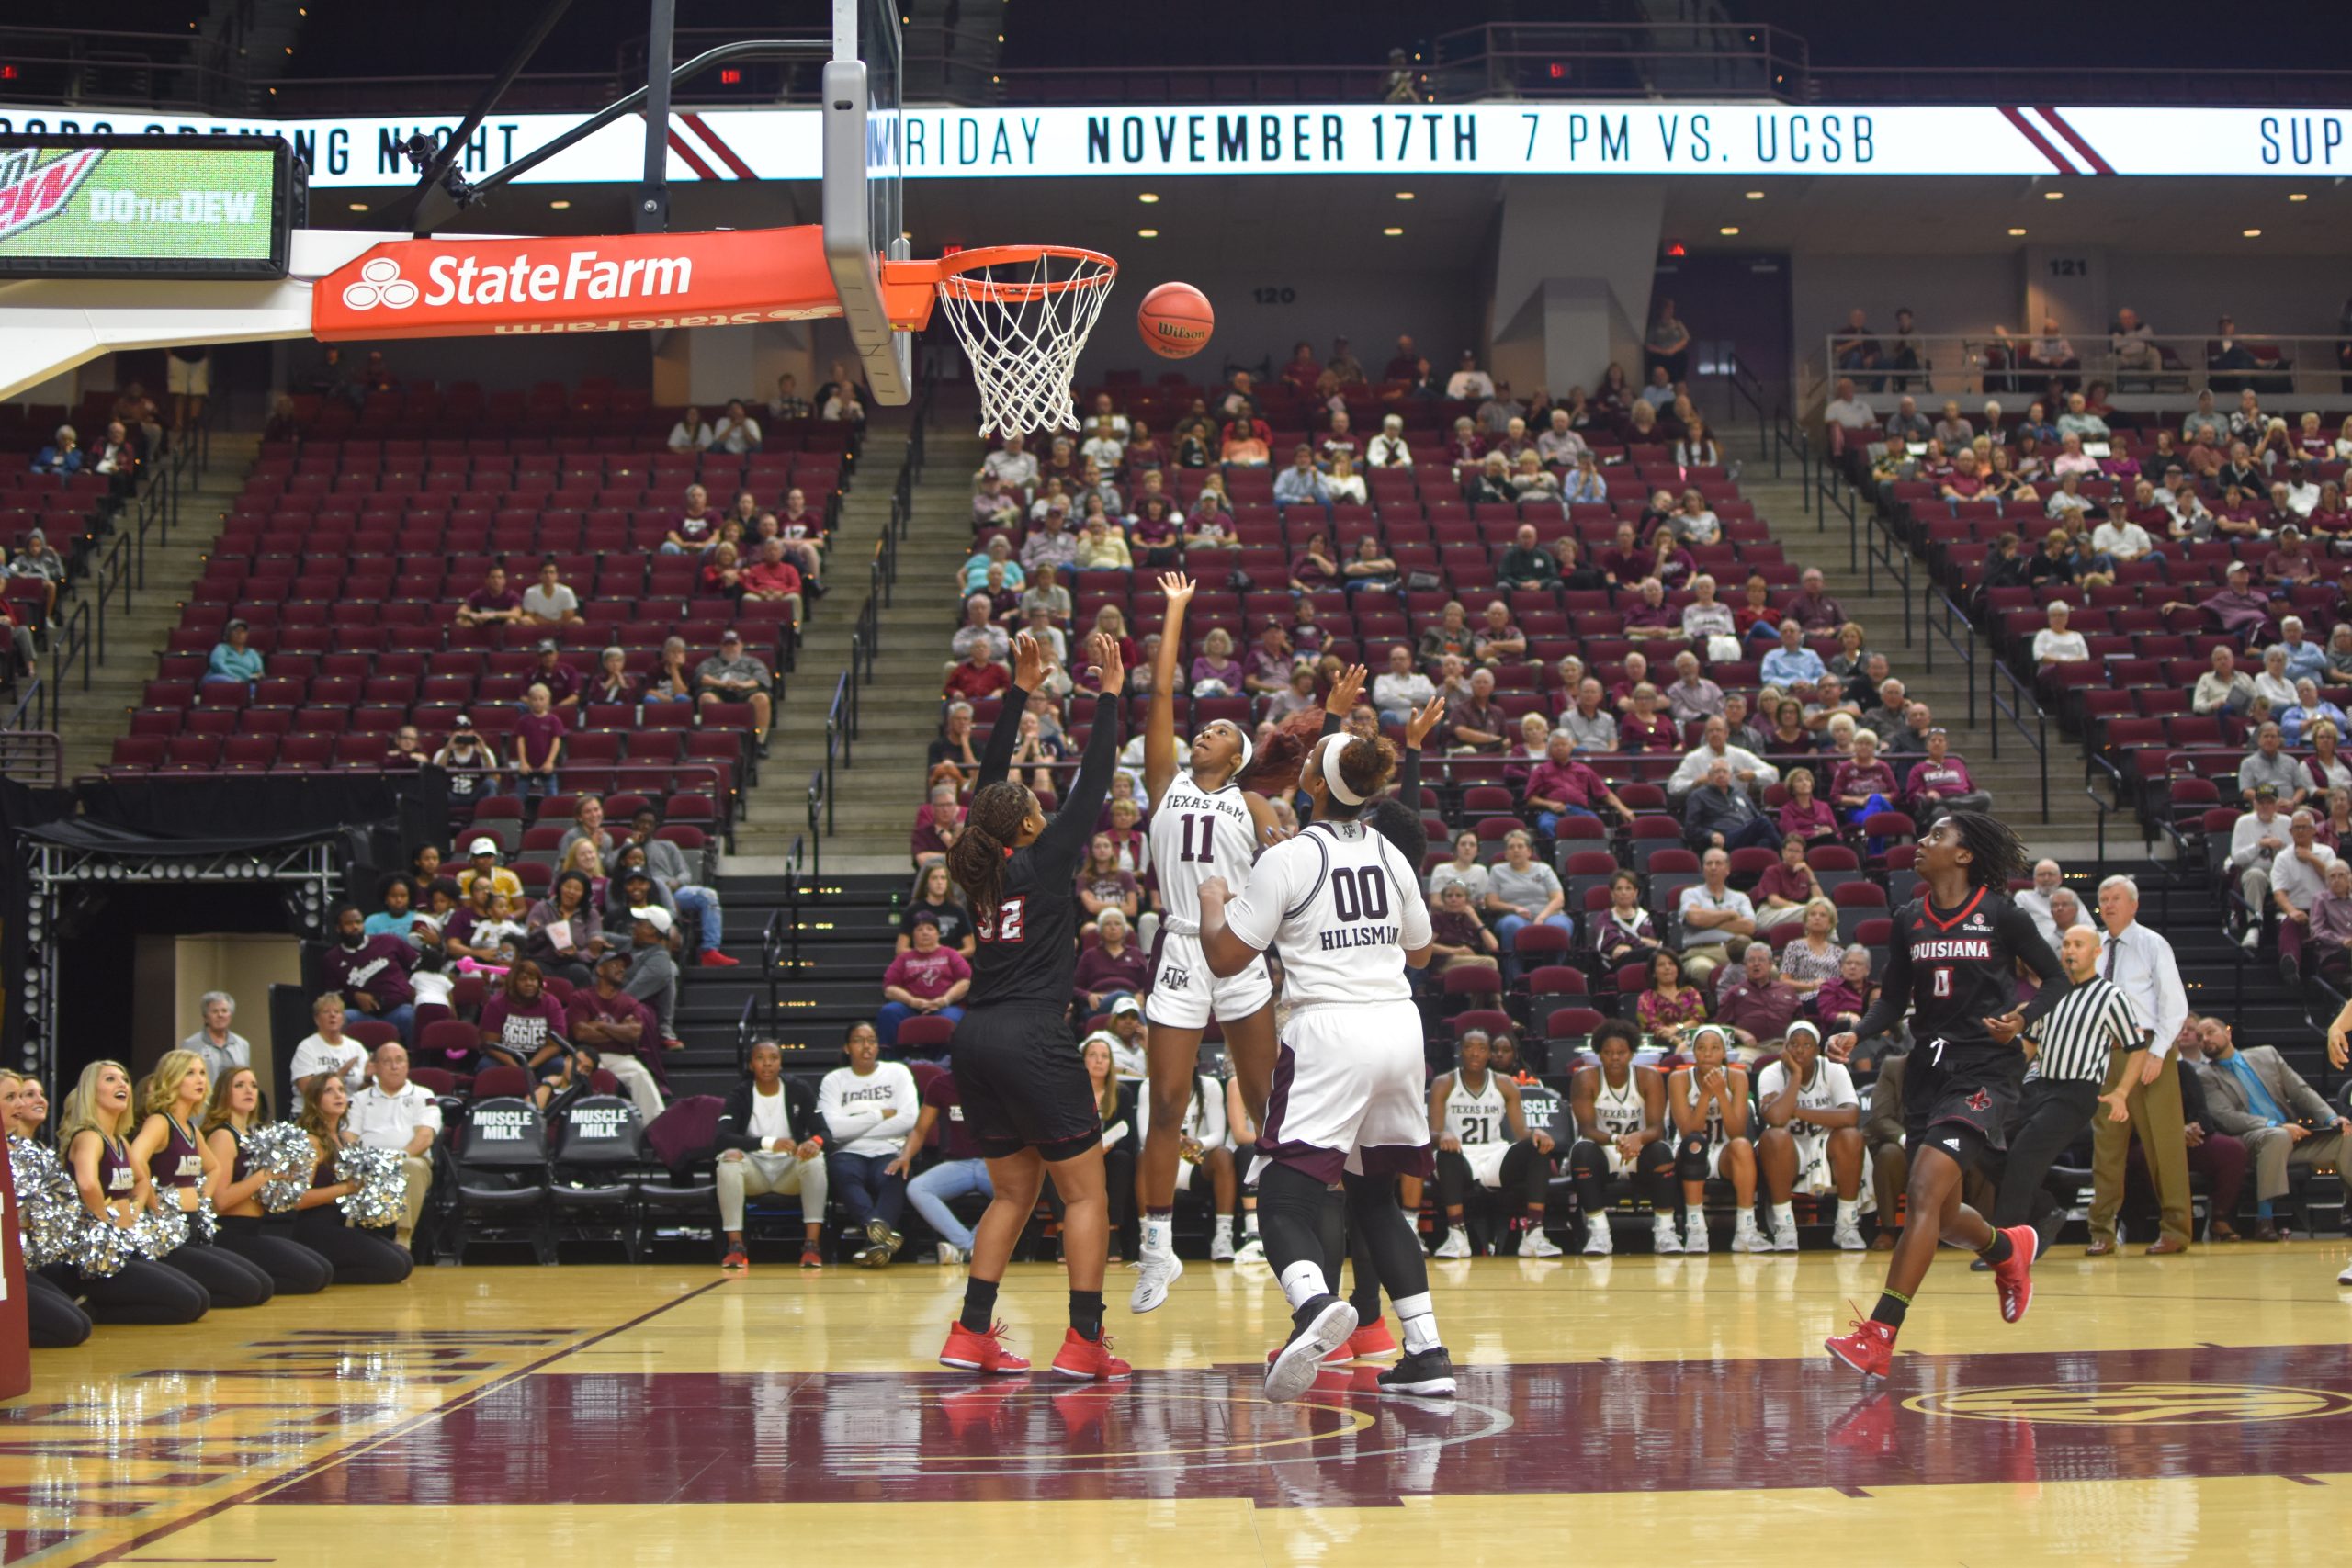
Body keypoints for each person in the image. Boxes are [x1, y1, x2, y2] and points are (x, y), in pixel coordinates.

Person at [1196, 726, 1456, 1402]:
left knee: (1282, 1193)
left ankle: (1313, 1306)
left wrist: (1212, 906)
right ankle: (1427, 1352)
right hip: (1399, 1028)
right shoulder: (1391, 854)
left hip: (1330, 1031)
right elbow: (1422, 951)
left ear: (1314, 782)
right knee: (1374, 1194)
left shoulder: (1288, 859)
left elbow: (1226, 959)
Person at [934, 630, 1135, 1381]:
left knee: (1013, 1193)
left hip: (975, 1036)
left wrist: (1018, 694)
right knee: (1084, 1196)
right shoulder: (1049, 860)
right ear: (1025, 825)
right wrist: (1109, 696)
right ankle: (1084, 1341)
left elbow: (988, 789)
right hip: (1030, 1036)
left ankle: (970, 1331)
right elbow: (1093, 782)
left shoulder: (976, 869)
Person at [1824, 812, 2069, 1379]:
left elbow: (2055, 979)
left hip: (1985, 1068)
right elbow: (1892, 1003)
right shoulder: (1908, 918)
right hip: (1927, 1068)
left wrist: (2021, 1018)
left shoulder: (2001, 914)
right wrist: (1856, 1031)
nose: (1923, 842)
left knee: (1923, 1192)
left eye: (1938, 836)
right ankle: (2008, 1251)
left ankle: (1879, 1335)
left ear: (1963, 856)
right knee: (1939, 1208)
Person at [1124, 575, 1310, 1310]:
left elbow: (1291, 855)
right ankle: (1157, 1249)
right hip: (1177, 947)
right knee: (1165, 1101)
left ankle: (1286, 1226)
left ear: (1236, 757)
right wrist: (1174, 611)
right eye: (1205, 728)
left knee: (1267, 1101)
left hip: (1237, 946)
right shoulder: (1166, 781)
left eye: (1222, 732)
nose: (1205, 731)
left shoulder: (1252, 800)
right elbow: (1162, 696)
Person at [1984, 924, 2146, 1262]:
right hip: (2035, 1086)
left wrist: (2121, 1092)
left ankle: (2004, 1249)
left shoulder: (2111, 997)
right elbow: (2031, 1043)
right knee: (1982, 1141)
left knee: (2026, 1154)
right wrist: (2005, 1081)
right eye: (2066, 945)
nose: (2070, 951)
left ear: (2096, 952)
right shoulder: (2050, 994)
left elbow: (2136, 1047)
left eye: (2078, 945)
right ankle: (2045, 1209)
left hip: (2075, 1092)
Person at [55, 1060, 211, 1323]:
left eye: (125, 1079)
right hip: (99, 1260)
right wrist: (105, 1220)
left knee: (198, 1299)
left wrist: (136, 1207)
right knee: (187, 1303)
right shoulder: (89, 1137)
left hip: (125, 1247)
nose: (122, 1085)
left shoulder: (119, 1140)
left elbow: (142, 1180)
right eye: (110, 1079)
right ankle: (91, 1308)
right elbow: (87, 1183)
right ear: (91, 1091)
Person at [127, 1052, 275, 1306]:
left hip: (195, 1226)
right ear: (171, 1079)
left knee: (262, 1286)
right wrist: (152, 1201)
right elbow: (136, 1159)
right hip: (171, 1235)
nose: (200, 1080)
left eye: (203, 1073)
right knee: (245, 1290)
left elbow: (214, 1168)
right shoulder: (160, 1122)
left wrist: (203, 1199)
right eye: (190, 1073)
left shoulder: (191, 1129)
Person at [2194, 1016, 2348, 1242]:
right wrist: (2274, 1125)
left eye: (2209, 1032)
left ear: (2227, 1032)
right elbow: (2227, 1118)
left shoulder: (2267, 1055)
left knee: (2347, 1136)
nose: (2205, 1039)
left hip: (2290, 1137)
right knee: (2277, 1136)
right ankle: (2264, 1220)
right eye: (2199, 1038)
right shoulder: (2205, 1075)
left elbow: (2301, 1091)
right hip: (2248, 1141)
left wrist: (2332, 1119)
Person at [199, 1066, 334, 1293]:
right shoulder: (223, 1135)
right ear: (224, 1093)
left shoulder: (254, 1135)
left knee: (323, 1271)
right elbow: (220, 1201)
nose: (248, 1091)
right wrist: (267, 1174)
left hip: (256, 1229)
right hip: (230, 1232)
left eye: (253, 1085)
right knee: (309, 1276)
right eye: (239, 1085)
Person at [1428, 1030, 1560, 1259]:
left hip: (1494, 1155)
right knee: (1444, 1154)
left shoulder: (1505, 1084)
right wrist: (1443, 1136)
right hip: (1459, 1155)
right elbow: (1432, 1132)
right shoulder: (1444, 1083)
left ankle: (1534, 1235)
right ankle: (1457, 1236)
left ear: (1489, 1053)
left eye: (1481, 1048)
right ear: (1460, 1051)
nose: (1475, 1053)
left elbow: (1520, 1133)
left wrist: (1536, 1132)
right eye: (1469, 1047)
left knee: (1537, 1148)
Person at [714, 1040, 827, 1272]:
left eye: (773, 1058)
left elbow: (824, 1132)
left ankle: (812, 1245)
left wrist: (814, 1142)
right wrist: (769, 1143)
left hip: (789, 1170)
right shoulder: (740, 1093)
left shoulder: (799, 1089)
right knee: (729, 1159)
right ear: (750, 1064)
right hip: (754, 1170)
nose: (767, 1064)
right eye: (760, 1058)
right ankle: (736, 1246)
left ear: (781, 1063)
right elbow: (722, 1137)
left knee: (815, 1161)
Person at [1568, 1021, 1679, 1255]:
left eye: (1621, 1052)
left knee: (1662, 1150)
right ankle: (1599, 1234)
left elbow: (1657, 1128)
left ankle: (1665, 1232)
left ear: (1632, 1053)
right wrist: (1618, 1139)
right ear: (1599, 1054)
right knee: (1582, 1151)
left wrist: (1637, 1138)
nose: (1615, 1058)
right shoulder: (1585, 1079)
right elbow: (1586, 1129)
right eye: (1608, 1053)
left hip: (1640, 1149)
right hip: (1605, 1149)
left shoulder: (1649, 1078)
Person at [288, 1077, 413, 1285]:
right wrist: (347, 1188)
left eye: (341, 1089)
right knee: (395, 1266)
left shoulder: (342, 1140)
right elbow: (299, 1199)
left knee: (405, 1261)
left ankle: (325, 1271)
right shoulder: (311, 1141)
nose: (338, 1095)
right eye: (329, 1091)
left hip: (339, 1225)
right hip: (315, 1230)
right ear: (314, 1100)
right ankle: (318, 1272)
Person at [1756, 1021, 1867, 1252]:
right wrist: (1795, 1075)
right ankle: (1785, 1227)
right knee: (1774, 1136)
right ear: (1785, 1048)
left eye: (1807, 1045)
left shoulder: (1833, 1069)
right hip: (1790, 1148)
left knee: (1851, 1136)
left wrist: (1794, 1111)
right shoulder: (1772, 1072)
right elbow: (1775, 1119)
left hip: (1826, 1145)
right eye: (1794, 1044)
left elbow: (1851, 1116)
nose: (1799, 1050)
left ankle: (1847, 1225)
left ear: (1817, 1050)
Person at [1665, 1025, 1756, 1254]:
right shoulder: (1678, 1079)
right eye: (1702, 1048)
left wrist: (1722, 1095)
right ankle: (1696, 1230)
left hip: (1725, 1150)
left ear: (1724, 1053)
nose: (1708, 1053)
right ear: (1693, 1052)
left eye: (1715, 1048)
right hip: (1690, 1153)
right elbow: (1688, 1132)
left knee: (1743, 1146)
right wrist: (1706, 1093)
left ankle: (1746, 1231)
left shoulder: (1737, 1078)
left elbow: (1736, 1132)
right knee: (1695, 1145)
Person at [344, 1042, 443, 1253]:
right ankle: (349, 1235)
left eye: (400, 1060)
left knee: (411, 1166)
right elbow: (349, 1134)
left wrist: (395, 1159)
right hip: (368, 1160)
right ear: (375, 1067)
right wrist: (361, 1158)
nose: (394, 1066)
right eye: (387, 1061)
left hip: (408, 1160)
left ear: (408, 1065)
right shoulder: (360, 1098)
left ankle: (403, 1238)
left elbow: (425, 1137)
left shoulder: (423, 1095)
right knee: (352, 1164)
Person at [876, 916, 972, 1046]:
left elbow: (966, 982)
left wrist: (945, 1000)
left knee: (954, 1018)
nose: (925, 932)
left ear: (938, 933)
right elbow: (889, 988)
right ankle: (892, 1059)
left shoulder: (951, 954)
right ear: (913, 935)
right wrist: (912, 1001)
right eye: (919, 929)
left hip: (946, 1006)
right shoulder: (904, 958)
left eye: (930, 928)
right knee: (889, 1012)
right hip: (911, 1007)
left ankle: (950, 1061)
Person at [1674, 848, 1755, 984]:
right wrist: (1730, 914)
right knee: (1702, 969)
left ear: (1727, 869)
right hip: (1700, 952)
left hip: (1738, 953)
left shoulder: (1740, 897)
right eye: (1708, 863)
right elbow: (1695, 918)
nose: (1713, 867)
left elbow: (1749, 927)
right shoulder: (1690, 893)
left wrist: (1707, 920)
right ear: (1703, 869)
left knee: (1770, 971)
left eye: (1718, 863)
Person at [695, 630, 775, 756]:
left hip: (746, 694)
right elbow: (701, 678)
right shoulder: (710, 662)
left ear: (741, 645)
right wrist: (721, 684)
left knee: (762, 698)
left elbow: (761, 680)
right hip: (719, 692)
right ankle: (715, 742)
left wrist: (742, 685)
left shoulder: (753, 662)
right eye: (727, 645)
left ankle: (760, 743)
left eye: (734, 644)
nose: (730, 648)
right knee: (706, 698)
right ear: (721, 647)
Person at [182, 990, 251, 1090]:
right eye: (215, 1011)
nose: (220, 1015)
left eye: (224, 1011)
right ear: (205, 1018)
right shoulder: (190, 1045)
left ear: (230, 1016)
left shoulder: (243, 1045)